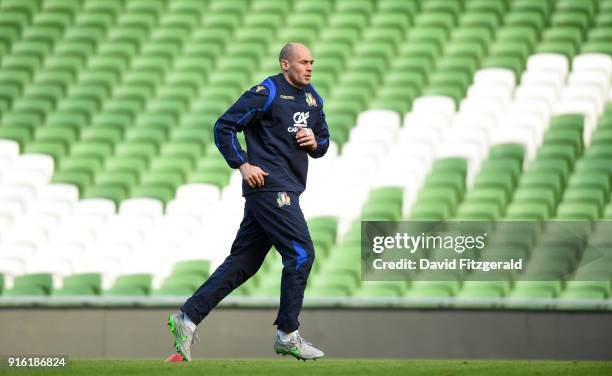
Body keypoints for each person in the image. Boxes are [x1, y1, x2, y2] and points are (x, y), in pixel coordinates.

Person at [167, 43, 330, 362]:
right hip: (269, 186)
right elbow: (224, 126)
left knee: (245, 262)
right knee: (300, 252)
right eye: (303, 62)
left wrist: (315, 142)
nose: (309, 68)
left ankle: (186, 319)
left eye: (312, 62)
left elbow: (323, 140)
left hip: (287, 188)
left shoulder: (313, 98)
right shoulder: (267, 91)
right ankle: (287, 334)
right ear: (285, 64)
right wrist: (242, 163)